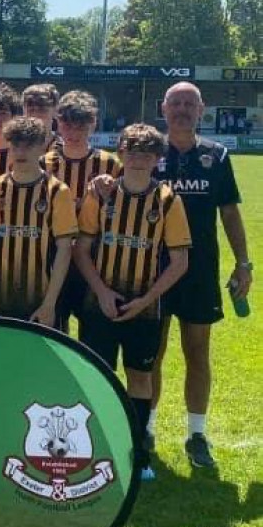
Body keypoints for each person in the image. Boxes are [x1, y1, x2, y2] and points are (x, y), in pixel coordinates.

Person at [74, 124, 191, 480]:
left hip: (145, 309)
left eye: (146, 153)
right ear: (120, 154)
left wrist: (145, 301)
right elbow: (81, 250)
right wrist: (102, 291)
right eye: (132, 151)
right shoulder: (102, 196)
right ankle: (98, 447)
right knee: (99, 376)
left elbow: (180, 261)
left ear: (158, 159)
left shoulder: (168, 200)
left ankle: (137, 452)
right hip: (100, 306)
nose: (138, 158)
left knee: (140, 377)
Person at [151, 82, 251, 467]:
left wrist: (243, 263)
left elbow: (229, 212)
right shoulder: (148, 151)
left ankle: (196, 434)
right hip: (153, 270)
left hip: (199, 272)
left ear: (201, 110)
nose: (182, 109)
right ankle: (146, 428)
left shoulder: (217, 156)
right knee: (151, 353)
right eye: (175, 102)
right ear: (163, 108)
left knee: (197, 352)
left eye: (189, 103)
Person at [0, 116, 77, 328]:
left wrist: (50, 304)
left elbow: (65, 250)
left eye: (29, 145)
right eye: (16, 144)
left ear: (42, 146)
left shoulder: (57, 191)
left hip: (42, 299)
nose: (21, 151)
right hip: (0, 298)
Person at [43, 91, 121, 328]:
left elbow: (121, 214)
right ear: (58, 123)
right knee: (55, 326)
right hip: (53, 258)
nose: (74, 133)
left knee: (94, 330)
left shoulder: (111, 164)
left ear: (93, 124)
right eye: (68, 125)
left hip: (96, 260)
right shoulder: (43, 164)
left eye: (81, 126)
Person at [23, 83, 60, 150]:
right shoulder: (13, 146)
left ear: (55, 111)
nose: (36, 115)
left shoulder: (65, 148)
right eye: (31, 110)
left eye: (42, 110)